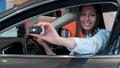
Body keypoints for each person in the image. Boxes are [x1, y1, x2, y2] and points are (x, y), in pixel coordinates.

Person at [33, 4, 110, 55]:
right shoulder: (86, 37)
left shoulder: (104, 34)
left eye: (92, 15)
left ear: (98, 17)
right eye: (83, 14)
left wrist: (59, 40)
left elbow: (93, 45)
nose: (86, 19)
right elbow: (63, 63)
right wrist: (44, 45)